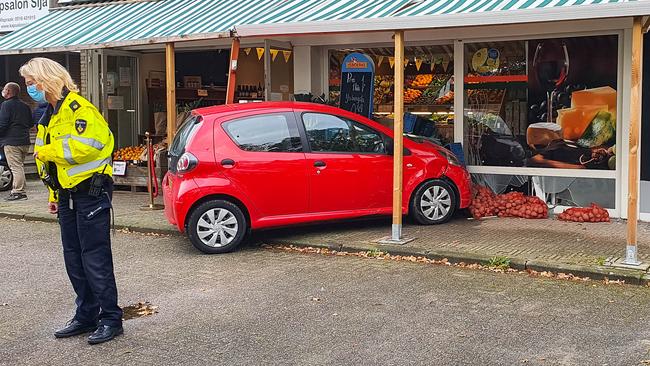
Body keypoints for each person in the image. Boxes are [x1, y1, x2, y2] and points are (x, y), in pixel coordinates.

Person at [20, 58, 123, 345]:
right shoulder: (50, 113)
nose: (30, 89)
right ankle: (86, 315)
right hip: (67, 195)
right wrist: (54, 195)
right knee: (74, 257)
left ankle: (111, 319)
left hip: (90, 193)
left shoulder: (79, 108)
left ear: (46, 80)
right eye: (27, 84)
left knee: (94, 257)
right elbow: (54, 165)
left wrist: (49, 151)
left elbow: (90, 146)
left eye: (32, 83)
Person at [0, 82, 33, 201]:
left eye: (4, 89)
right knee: (19, 166)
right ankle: (20, 189)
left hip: (11, 141)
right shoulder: (25, 105)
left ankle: (18, 192)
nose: (3, 91)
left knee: (15, 167)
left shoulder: (6, 105)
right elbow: (30, 123)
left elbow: (3, 124)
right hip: (24, 140)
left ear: (8, 91)